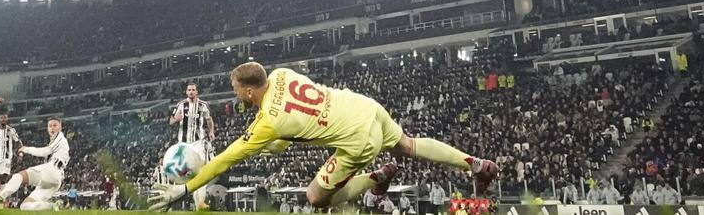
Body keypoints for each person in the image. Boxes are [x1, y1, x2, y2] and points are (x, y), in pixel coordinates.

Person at [148, 62, 498, 211]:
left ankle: (377, 176)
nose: (236, 95)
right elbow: (294, 126)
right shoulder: (282, 73)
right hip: (363, 105)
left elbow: (224, 158)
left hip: (357, 139)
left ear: (251, 92)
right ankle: (474, 163)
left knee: (316, 197)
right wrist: (275, 144)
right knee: (407, 145)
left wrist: (183, 189)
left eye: (237, 90)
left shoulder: (267, 120)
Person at [0, 118, 70, 210]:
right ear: (47, 128)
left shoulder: (60, 137)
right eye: (50, 126)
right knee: (25, 206)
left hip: (52, 170)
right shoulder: (54, 142)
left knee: (19, 176)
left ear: (60, 127)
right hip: (55, 180)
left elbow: (45, 152)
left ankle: (1, 196)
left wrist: (25, 149)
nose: (52, 128)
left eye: (55, 125)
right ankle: (55, 205)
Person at [170, 82, 217, 209]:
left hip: (198, 144)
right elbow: (171, 120)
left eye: (193, 90)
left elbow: (209, 119)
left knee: (201, 173)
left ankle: (200, 203)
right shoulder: (181, 105)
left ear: (197, 92)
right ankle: (172, 200)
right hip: (184, 145)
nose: (191, 92)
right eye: (189, 90)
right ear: (186, 92)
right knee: (183, 175)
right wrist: (176, 119)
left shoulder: (203, 105)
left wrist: (211, 131)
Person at [0, 112, 22, 190]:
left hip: (6, 157)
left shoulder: (11, 130)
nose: (3, 119)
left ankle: (3, 196)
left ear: (7, 119)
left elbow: (18, 141)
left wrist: (20, 154)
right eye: (1, 118)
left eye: (5, 117)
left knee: (3, 176)